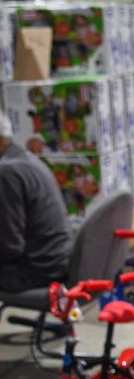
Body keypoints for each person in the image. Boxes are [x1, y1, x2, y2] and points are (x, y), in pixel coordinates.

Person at [0, 113, 71, 292]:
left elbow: (10, 246)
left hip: (36, 270)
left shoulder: (6, 172)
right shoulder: (26, 159)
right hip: (55, 260)